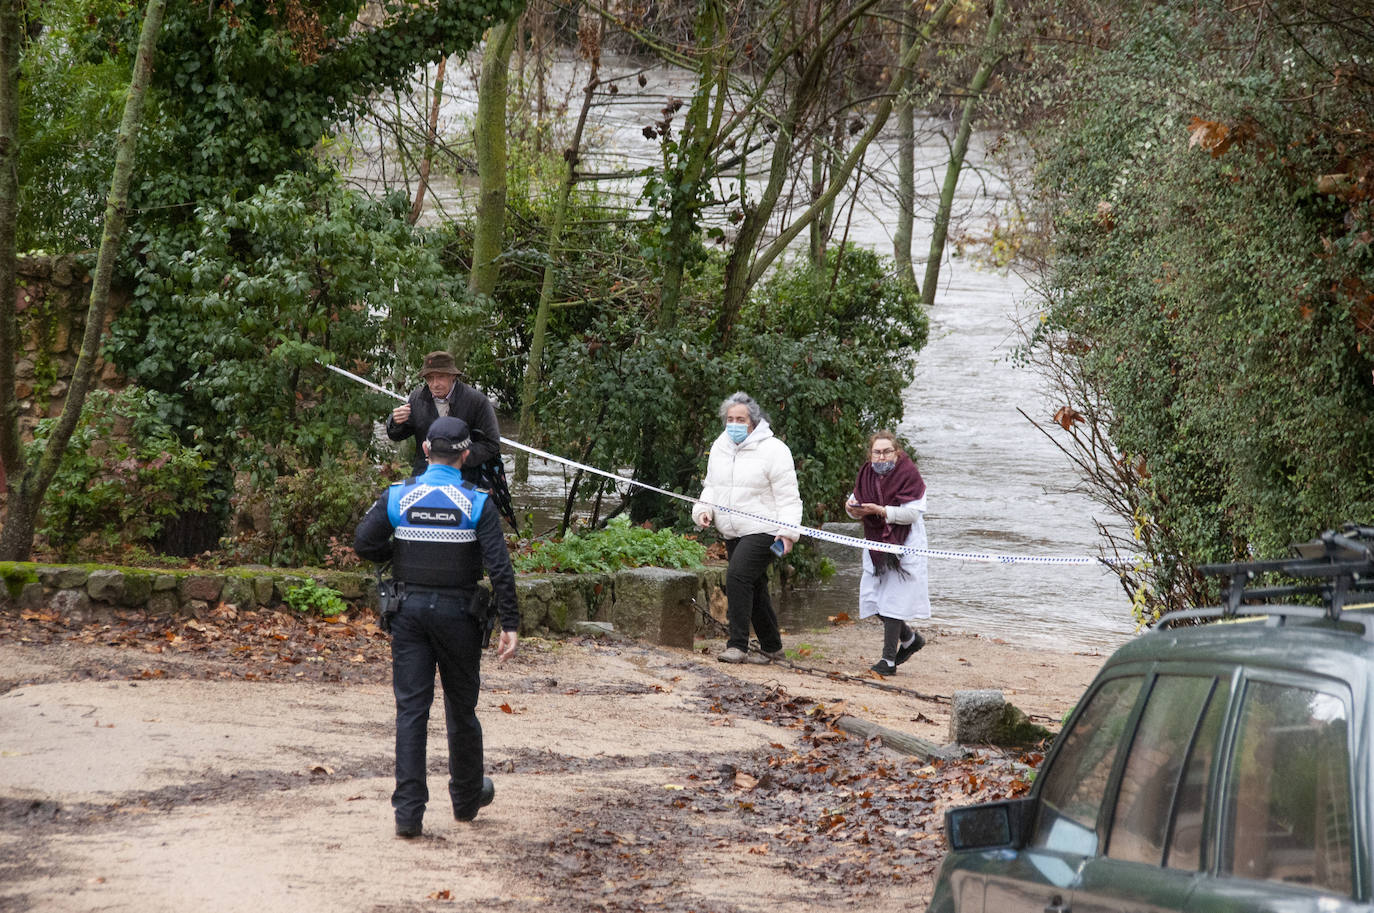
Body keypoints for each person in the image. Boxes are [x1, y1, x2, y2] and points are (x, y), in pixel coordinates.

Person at [354, 416, 519, 838]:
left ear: (427, 451)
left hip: (407, 613)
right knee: (461, 709)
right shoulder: (477, 502)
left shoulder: (399, 494)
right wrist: (511, 624)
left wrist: (401, 549)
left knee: (411, 711)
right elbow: (500, 568)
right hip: (460, 616)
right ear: (465, 456)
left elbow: (364, 543)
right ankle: (466, 799)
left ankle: (408, 815)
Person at [692, 392, 802, 665]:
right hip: (733, 530)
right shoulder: (720, 446)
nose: (734, 424)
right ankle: (772, 648)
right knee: (756, 586)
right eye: (730, 419)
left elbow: (788, 497)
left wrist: (787, 533)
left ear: (753, 421)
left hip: (764, 529)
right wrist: (704, 510)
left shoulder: (775, 450)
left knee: (738, 577)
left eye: (740, 419)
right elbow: (712, 488)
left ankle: (737, 645)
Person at [846, 430, 929, 675]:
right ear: (870, 454)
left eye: (886, 451)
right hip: (875, 544)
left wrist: (882, 511)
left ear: (897, 452)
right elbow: (855, 504)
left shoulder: (909, 475)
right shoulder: (866, 474)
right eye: (877, 452)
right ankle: (910, 639)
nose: (881, 457)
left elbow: (912, 513)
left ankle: (888, 661)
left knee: (893, 600)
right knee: (874, 600)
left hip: (904, 545)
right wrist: (852, 509)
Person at [386, 350, 501, 486]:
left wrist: (454, 458)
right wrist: (395, 422)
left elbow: (492, 445)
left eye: (440, 377)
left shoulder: (476, 401)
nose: (435, 384)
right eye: (430, 378)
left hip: (464, 478)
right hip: (425, 475)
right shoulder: (417, 398)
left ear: (452, 376)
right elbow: (396, 435)